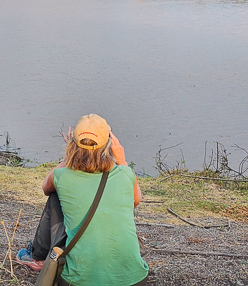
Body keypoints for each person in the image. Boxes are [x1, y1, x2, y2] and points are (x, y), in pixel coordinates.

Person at [16, 114, 149, 286]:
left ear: (73, 145)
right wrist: (122, 160)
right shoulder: (125, 173)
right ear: (111, 144)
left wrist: (68, 157)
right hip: (135, 280)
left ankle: (38, 258)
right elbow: (135, 200)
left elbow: (45, 187)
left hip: (79, 282)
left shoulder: (61, 177)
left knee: (55, 196)